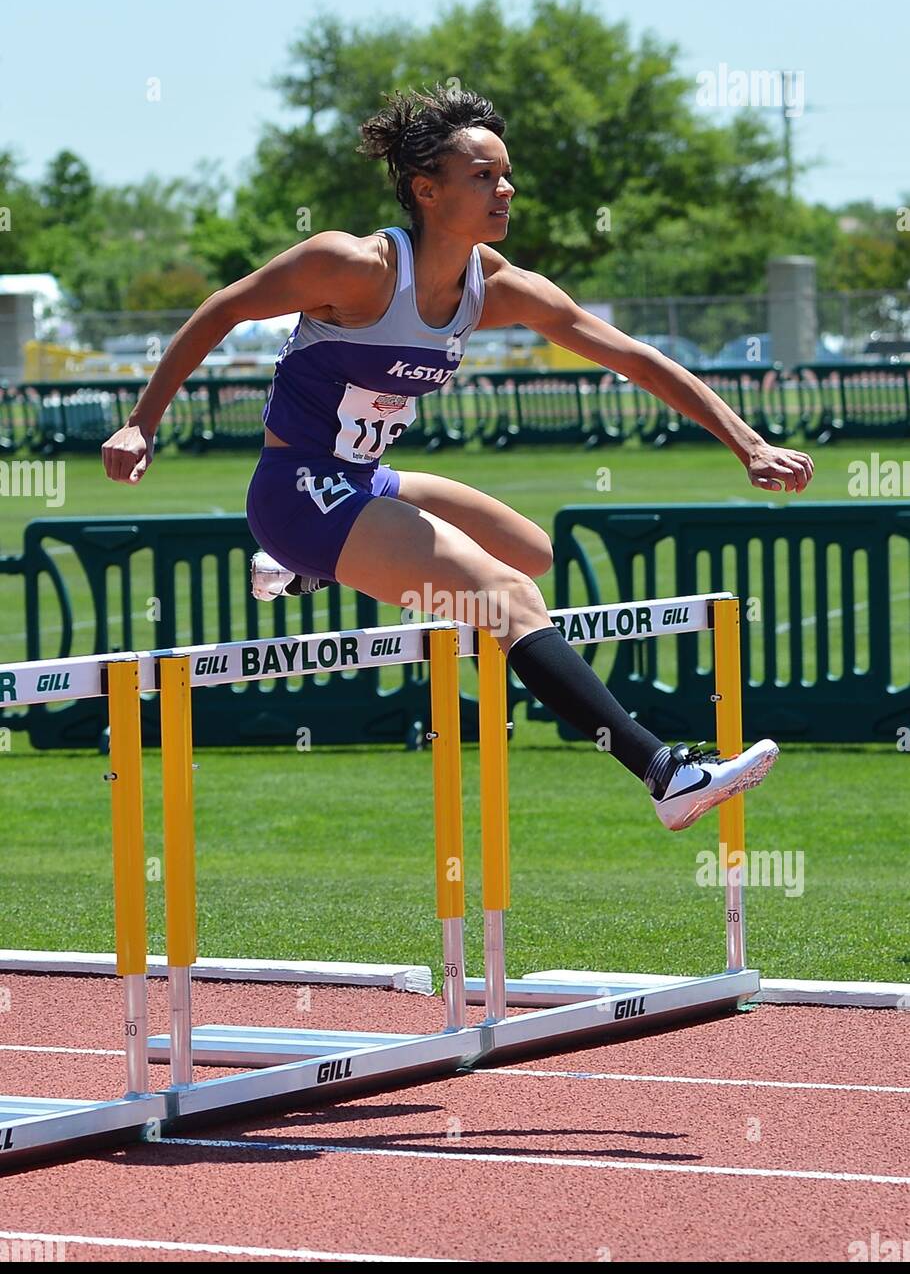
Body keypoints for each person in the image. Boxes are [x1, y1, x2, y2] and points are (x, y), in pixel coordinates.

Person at [102, 84, 814, 831]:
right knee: (506, 597)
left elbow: (631, 357)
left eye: (506, 175)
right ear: (426, 190)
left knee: (530, 553)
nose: (505, 190)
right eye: (483, 176)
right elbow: (222, 308)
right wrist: (141, 424)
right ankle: (665, 774)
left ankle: (301, 570)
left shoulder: (491, 286)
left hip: (365, 481)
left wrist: (749, 443)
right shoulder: (352, 265)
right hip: (299, 492)